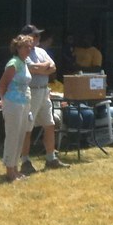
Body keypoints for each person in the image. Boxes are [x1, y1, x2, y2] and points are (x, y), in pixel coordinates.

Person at [18, 24, 70, 173]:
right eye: (35, 35)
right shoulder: (23, 53)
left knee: (49, 124)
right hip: (30, 92)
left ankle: (50, 158)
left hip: (44, 92)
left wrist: (43, 67)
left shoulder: (41, 51)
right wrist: (44, 67)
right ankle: (25, 161)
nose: (38, 38)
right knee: (27, 128)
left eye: (38, 35)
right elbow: (32, 69)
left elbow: (53, 68)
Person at [0, 35, 33, 182]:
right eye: (25, 46)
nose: (28, 49)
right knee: (12, 137)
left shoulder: (24, 62)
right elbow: (2, 84)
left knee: (20, 136)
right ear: (17, 48)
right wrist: (4, 101)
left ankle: (15, 169)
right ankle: (9, 171)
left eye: (30, 47)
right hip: (13, 103)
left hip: (24, 104)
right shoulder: (13, 63)